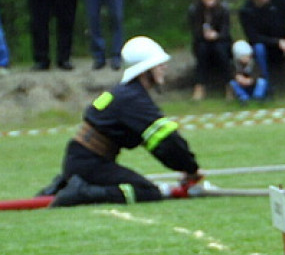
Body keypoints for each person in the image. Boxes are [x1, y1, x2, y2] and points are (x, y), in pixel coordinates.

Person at [44, 36, 205, 207]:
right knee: (147, 191)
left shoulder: (126, 94)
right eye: (159, 64)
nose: (164, 67)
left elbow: (159, 143)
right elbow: (167, 141)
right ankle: (83, 192)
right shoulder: (133, 99)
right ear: (145, 70)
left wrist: (186, 167)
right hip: (89, 164)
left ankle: (68, 184)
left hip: (80, 161)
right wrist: (191, 169)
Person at [187, 0, 233, 100]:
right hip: (202, 41)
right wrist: (204, 35)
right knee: (202, 49)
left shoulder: (224, 9)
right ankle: (199, 87)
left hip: (221, 41)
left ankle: (230, 86)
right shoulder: (194, 10)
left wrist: (216, 36)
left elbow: (226, 31)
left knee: (220, 50)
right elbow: (195, 32)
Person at [229, 40, 268, 104]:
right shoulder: (234, 65)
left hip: (253, 84)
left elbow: (259, 74)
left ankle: (258, 97)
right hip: (242, 85)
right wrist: (238, 77)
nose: (246, 58)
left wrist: (251, 80)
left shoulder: (254, 63)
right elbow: (231, 74)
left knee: (262, 81)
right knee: (232, 83)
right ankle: (243, 97)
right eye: (243, 56)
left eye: (248, 56)